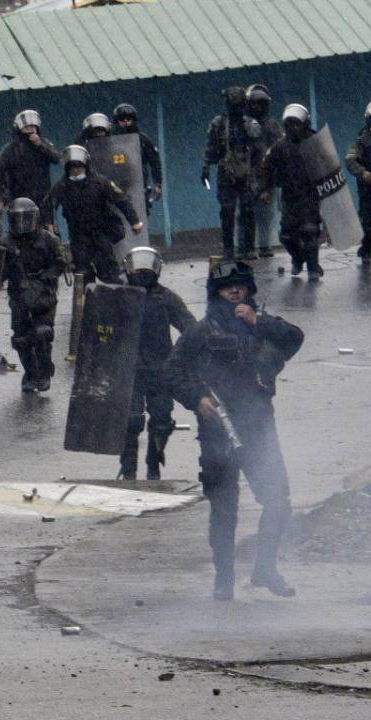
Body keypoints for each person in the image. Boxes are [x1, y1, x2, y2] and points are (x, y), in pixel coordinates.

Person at [166, 259, 303, 601]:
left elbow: (295, 338)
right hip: (219, 434)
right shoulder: (202, 331)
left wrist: (259, 322)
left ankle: (265, 569)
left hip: (259, 430)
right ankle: (223, 578)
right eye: (228, 287)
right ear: (216, 292)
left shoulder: (261, 324)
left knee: (278, 501)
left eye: (240, 285)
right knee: (224, 511)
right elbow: (171, 371)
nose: (234, 291)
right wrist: (196, 399)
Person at [118, 247, 195, 481]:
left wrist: (184, 355)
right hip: (129, 368)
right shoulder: (119, 295)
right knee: (130, 420)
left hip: (160, 368)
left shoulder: (166, 297)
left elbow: (189, 326)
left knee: (161, 419)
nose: (142, 272)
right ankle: (128, 468)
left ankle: (154, 462)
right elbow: (99, 328)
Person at [42, 145, 143, 284]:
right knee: (83, 276)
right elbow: (48, 204)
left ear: (85, 166)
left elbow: (121, 200)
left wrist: (134, 221)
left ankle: (119, 300)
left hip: (101, 233)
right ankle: (86, 304)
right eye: (72, 167)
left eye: (79, 167)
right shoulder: (62, 186)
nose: (76, 170)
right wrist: (49, 224)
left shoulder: (99, 182)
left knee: (110, 273)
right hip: (78, 236)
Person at [4, 197, 69, 392]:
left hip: (43, 295)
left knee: (42, 333)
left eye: (27, 219)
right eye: (18, 219)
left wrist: (45, 278)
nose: (22, 224)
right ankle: (30, 374)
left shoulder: (49, 239)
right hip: (18, 296)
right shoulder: (6, 242)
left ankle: (44, 372)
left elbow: (60, 262)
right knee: (21, 339)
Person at [259, 104, 324, 280]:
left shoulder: (316, 141)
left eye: (297, 123)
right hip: (289, 196)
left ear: (305, 124)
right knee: (287, 236)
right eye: (290, 124)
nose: (293, 127)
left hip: (311, 195)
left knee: (310, 231)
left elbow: (329, 165)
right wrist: (265, 189)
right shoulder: (280, 146)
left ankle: (313, 269)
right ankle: (298, 258)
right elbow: (267, 167)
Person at [202, 87, 264, 260]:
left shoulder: (250, 124)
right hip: (226, 171)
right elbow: (210, 147)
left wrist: (257, 173)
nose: (233, 108)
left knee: (248, 209)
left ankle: (249, 247)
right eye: (231, 104)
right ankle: (229, 248)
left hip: (246, 171)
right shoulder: (219, 123)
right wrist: (206, 167)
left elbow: (258, 148)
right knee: (227, 211)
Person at [0, 109, 62, 211]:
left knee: (46, 226)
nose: (30, 130)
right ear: (19, 129)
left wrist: (40, 145)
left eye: (33, 127)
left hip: (42, 198)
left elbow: (56, 159)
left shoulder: (43, 143)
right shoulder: (11, 149)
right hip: (18, 199)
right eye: (27, 127)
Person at [245, 85, 284, 257]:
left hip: (266, 177)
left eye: (260, 105)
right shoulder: (243, 126)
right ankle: (247, 247)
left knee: (265, 215)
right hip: (246, 178)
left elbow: (278, 154)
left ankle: (264, 246)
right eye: (253, 105)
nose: (256, 108)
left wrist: (268, 186)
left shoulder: (273, 127)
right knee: (246, 214)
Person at [112, 103, 163, 215]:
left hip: (138, 184)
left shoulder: (143, 140)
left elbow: (155, 162)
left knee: (140, 215)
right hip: (115, 185)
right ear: (117, 121)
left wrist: (158, 183)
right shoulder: (110, 141)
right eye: (122, 119)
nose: (125, 122)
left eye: (129, 119)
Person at [345, 101, 371, 266]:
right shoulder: (362, 140)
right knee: (368, 223)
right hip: (368, 190)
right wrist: (363, 172)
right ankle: (367, 250)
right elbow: (350, 159)